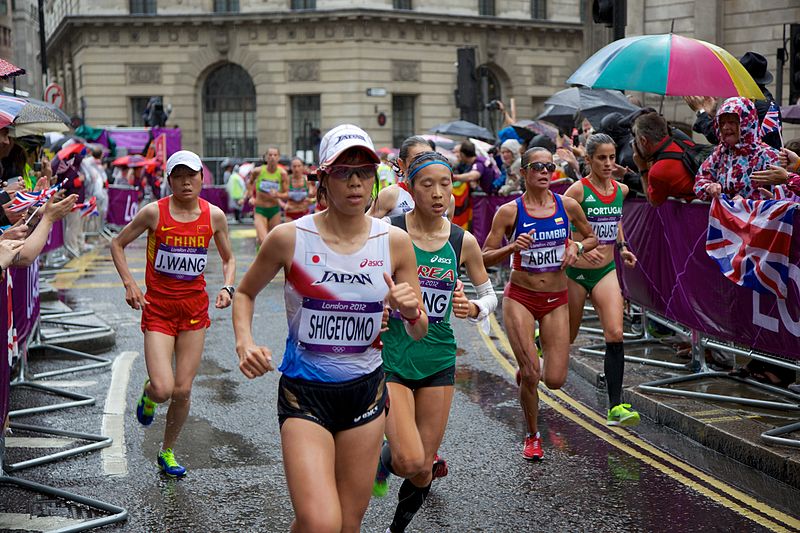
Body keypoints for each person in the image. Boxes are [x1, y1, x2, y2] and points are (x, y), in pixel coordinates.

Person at [232, 124, 427, 532]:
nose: (355, 182)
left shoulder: (394, 242)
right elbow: (245, 293)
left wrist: (411, 312)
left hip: (366, 393)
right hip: (305, 393)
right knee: (320, 520)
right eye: (343, 172)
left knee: (347, 525)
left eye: (365, 172)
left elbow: (418, 330)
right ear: (323, 178)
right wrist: (244, 341)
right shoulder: (290, 238)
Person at [374, 151, 497, 531]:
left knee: (424, 467)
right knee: (407, 461)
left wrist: (473, 308)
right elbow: (357, 275)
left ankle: (397, 529)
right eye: (428, 185)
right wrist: (375, 308)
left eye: (446, 184)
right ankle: (385, 460)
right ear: (409, 188)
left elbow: (490, 292)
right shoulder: (387, 230)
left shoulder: (463, 241)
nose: (439, 193)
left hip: (439, 357)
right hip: (393, 355)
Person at [110, 150, 236, 478]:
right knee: (164, 388)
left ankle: (167, 450)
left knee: (182, 390)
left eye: (191, 175)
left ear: (201, 178)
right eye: (178, 176)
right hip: (159, 311)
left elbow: (228, 258)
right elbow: (117, 243)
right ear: (169, 180)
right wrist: (130, 284)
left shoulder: (214, 216)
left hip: (194, 312)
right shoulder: (154, 213)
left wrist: (228, 286)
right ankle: (149, 395)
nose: (185, 182)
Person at [483, 147, 597, 460]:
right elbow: (482, 255)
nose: (545, 172)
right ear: (524, 172)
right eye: (537, 167)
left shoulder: (567, 205)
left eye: (549, 166)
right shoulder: (509, 211)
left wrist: (576, 245)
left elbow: (592, 238)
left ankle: (530, 360)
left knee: (556, 380)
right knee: (533, 374)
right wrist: (511, 248)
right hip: (520, 297)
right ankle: (533, 436)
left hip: (556, 300)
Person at [564, 133, 639, 427]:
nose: (608, 163)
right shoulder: (577, 192)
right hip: (576, 273)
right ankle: (543, 338)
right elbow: (559, 223)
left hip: (606, 270)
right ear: (589, 160)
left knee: (616, 333)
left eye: (611, 158)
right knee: (567, 337)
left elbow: (615, 219)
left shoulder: (620, 189)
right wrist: (578, 245)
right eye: (601, 158)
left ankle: (615, 406)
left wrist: (622, 247)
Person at [685, 52, 783, 150]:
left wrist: (701, 111)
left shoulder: (750, 105)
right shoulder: (766, 103)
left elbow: (722, 136)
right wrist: (713, 114)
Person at [694, 97, 781, 201]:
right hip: (725, 216)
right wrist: (709, 187)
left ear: (746, 123)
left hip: (757, 216)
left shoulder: (769, 156)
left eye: (731, 122)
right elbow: (700, 181)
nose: (726, 127)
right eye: (722, 123)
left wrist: (747, 203)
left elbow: (782, 197)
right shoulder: (720, 153)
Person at [631, 111, 697, 206]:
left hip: (695, 215)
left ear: (643, 141)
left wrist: (642, 168)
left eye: (636, 140)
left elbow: (653, 201)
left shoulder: (658, 171)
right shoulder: (685, 143)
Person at [368, 136, 434, 219]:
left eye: (429, 159)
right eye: (418, 160)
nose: (425, 165)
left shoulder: (446, 197)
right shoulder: (390, 195)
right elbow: (364, 227)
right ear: (401, 164)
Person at [248, 147, 288, 247]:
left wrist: (277, 195)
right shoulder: (258, 171)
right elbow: (250, 183)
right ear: (266, 157)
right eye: (270, 155)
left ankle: (269, 261)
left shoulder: (282, 173)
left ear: (278, 157)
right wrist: (251, 196)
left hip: (274, 210)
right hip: (260, 209)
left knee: (273, 240)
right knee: (263, 239)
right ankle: (260, 259)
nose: (272, 157)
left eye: (275, 155)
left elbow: (286, 194)